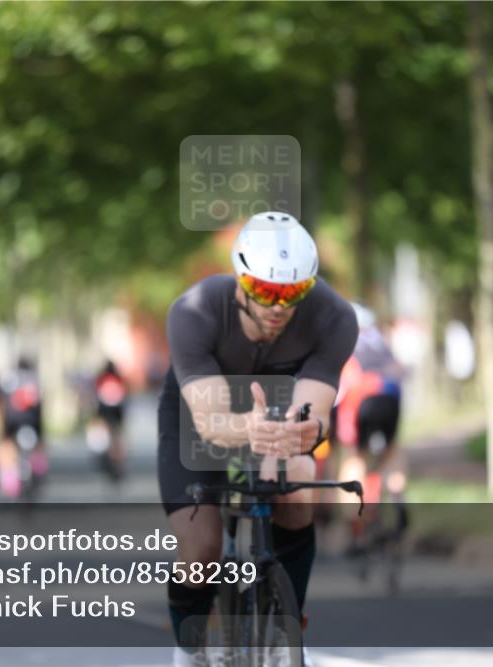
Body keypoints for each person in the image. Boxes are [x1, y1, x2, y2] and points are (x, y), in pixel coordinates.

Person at [158, 212, 358, 666]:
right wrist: (246, 429)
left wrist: (305, 431)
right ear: (240, 280)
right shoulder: (194, 311)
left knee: (298, 488)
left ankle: (287, 624)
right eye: (265, 290)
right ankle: (187, 650)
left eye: (293, 293)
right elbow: (209, 423)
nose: (278, 307)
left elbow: (313, 410)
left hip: (274, 410)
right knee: (202, 549)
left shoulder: (335, 317)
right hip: (196, 413)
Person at [334, 303, 408, 550]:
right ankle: (397, 498)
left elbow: (341, 390)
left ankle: (355, 523)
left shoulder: (344, 345)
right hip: (390, 397)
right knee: (392, 451)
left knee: (355, 457)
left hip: (362, 400)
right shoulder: (382, 343)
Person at [0, 357, 47, 499]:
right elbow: (40, 407)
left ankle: (9, 480)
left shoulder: (9, 379)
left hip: (12, 423)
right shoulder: (35, 380)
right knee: (39, 448)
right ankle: (38, 470)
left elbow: (0, 400)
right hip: (32, 424)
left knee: (5, 448)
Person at [93, 360, 128, 482]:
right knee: (117, 438)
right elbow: (123, 395)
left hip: (104, 412)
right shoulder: (118, 378)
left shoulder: (102, 378)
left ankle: (108, 457)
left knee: (105, 437)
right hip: (117, 412)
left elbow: (97, 396)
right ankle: (118, 459)